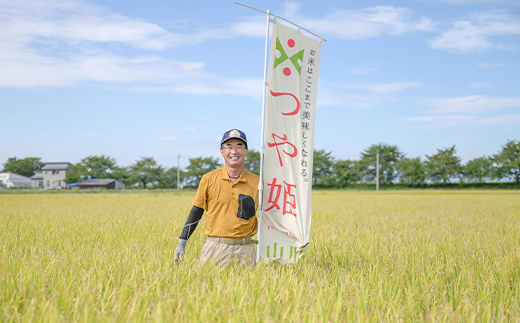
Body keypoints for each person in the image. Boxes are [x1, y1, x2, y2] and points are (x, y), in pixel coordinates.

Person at [173, 129, 260, 267]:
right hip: (215, 247)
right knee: (206, 286)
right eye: (229, 146)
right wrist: (182, 243)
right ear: (222, 151)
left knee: (249, 288)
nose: (234, 151)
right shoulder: (209, 179)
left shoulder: (258, 182)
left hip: (246, 249)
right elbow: (196, 212)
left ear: (246, 151)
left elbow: (269, 216)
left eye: (239, 146)